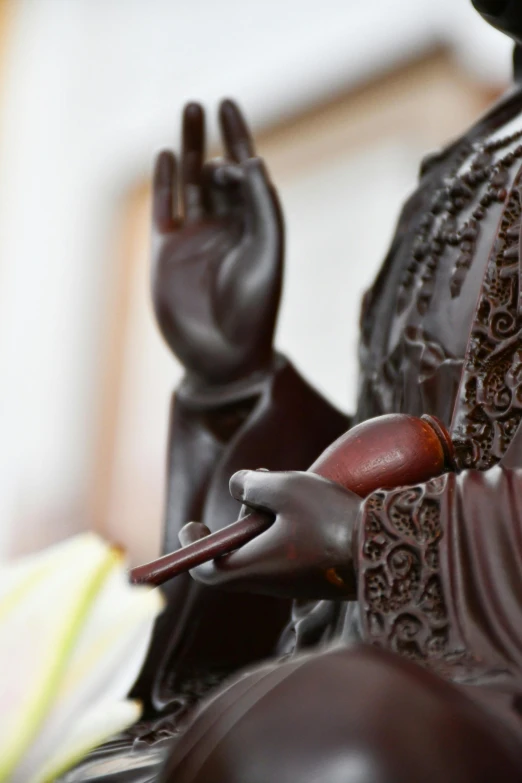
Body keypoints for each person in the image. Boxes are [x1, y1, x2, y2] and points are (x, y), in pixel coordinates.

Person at [66, 2, 522, 781]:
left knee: (330, 742)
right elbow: (397, 448)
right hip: (382, 654)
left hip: (473, 694)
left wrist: (375, 536)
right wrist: (236, 382)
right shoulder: (462, 168)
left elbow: (395, 510)